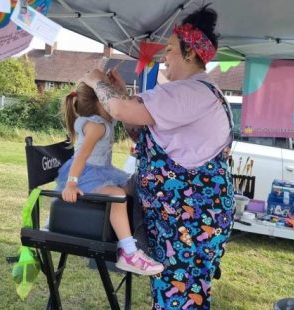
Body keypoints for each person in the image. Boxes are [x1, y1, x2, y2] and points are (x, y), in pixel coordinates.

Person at [81, 4, 235, 309]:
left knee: (179, 299)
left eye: (170, 49)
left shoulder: (189, 93)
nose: (164, 57)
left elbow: (120, 110)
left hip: (189, 222)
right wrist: (121, 93)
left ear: (189, 53)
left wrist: (95, 79)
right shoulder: (198, 93)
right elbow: (139, 128)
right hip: (186, 219)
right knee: (182, 294)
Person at [55, 82, 164, 276]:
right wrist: (71, 183)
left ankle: (143, 238)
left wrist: (115, 84)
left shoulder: (105, 121)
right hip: (84, 175)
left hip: (103, 171)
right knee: (117, 196)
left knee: (137, 186)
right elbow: (81, 157)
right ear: (100, 102)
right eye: (110, 97)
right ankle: (129, 252)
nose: (115, 102)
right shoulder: (96, 126)